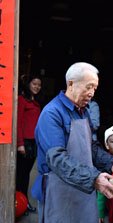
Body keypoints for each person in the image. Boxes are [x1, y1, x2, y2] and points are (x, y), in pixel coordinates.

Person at [31, 62, 113, 223]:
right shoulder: (52, 113)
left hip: (83, 189)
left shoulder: (84, 112)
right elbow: (57, 159)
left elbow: (91, 148)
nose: (92, 93)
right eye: (88, 87)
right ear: (71, 84)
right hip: (58, 191)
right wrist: (94, 178)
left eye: (94, 88)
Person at [16, 75, 42, 215]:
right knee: (21, 176)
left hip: (33, 142)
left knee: (25, 174)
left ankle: (23, 204)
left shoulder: (34, 102)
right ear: (28, 84)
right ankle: (19, 204)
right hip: (25, 142)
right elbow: (18, 122)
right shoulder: (21, 99)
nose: (37, 87)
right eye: (34, 83)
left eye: (39, 84)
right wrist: (20, 144)